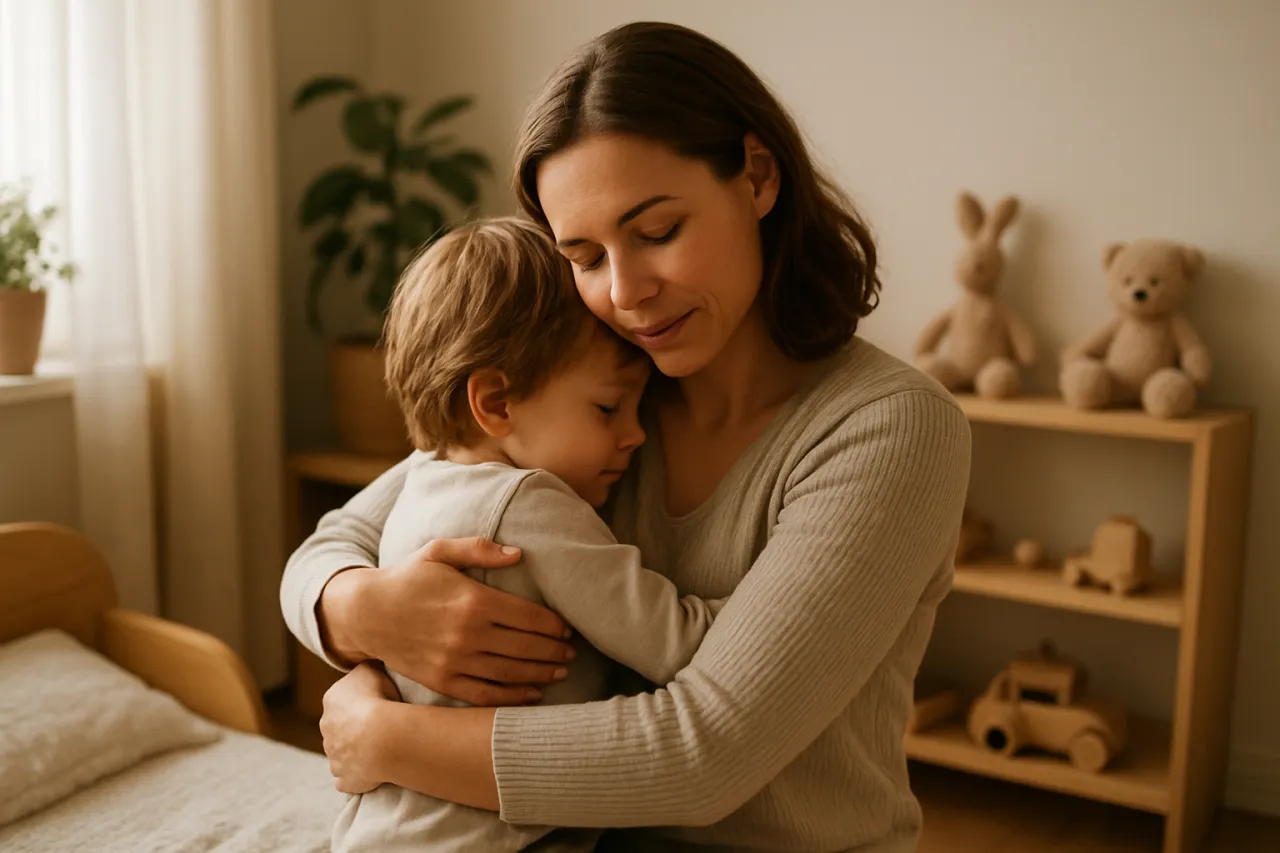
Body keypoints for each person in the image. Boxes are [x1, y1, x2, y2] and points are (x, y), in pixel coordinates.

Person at [282, 20, 971, 853]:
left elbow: (705, 755)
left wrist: (387, 738)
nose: (624, 292)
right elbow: (333, 543)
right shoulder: (592, 395)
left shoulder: (891, 427)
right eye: (584, 256)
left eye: (657, 232)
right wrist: (363, 610)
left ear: (757, 177)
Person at [330, 217, 726, 853]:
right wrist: (787, 603)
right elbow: (675, 642)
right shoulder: (529, 503)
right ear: (496, 403)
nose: (635, 435)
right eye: (608, 408)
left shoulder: (425, 480)